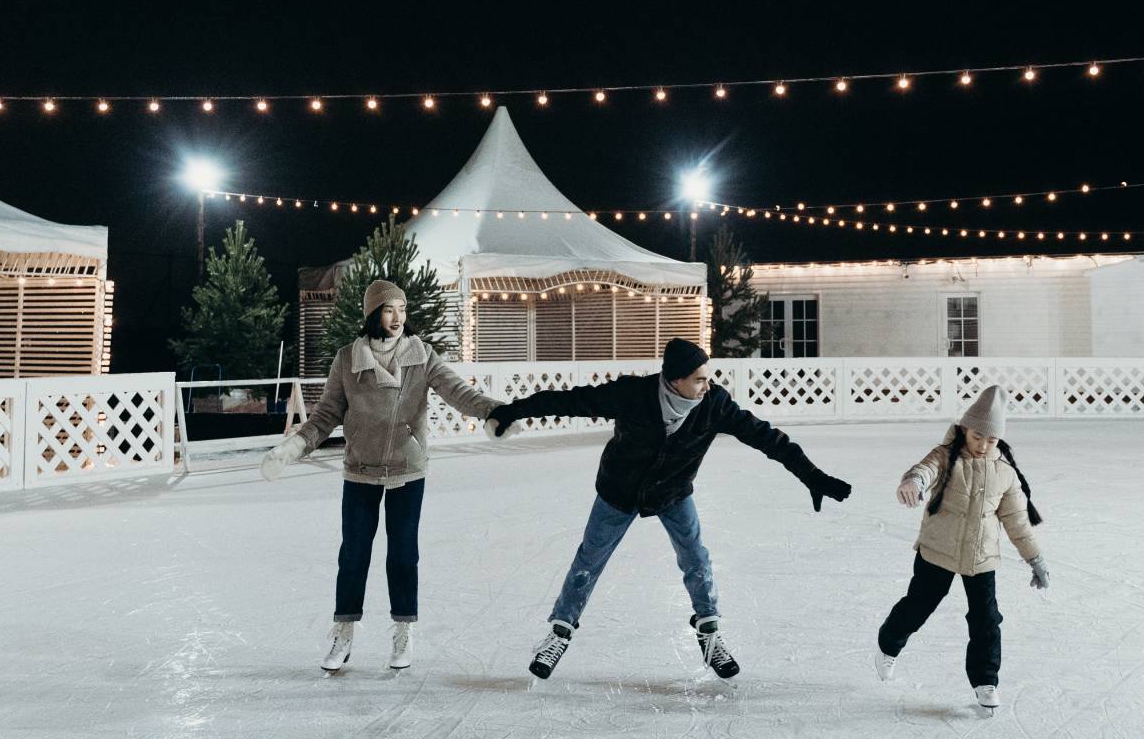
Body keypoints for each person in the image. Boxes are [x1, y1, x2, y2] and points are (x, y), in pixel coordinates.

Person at [485, 337, 852, 681]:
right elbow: (568, 401)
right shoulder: (633, 394)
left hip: (673, 492)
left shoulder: (714, 405)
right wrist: (512, 412)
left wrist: (812, 476)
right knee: (589, 559)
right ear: (674, 381)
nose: (706, 385)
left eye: (708, 378)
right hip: (620, 490)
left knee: (696, 558)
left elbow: (768, 439)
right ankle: (559, 634)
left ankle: (710, 635)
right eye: (698, 379)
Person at [259, 279, 501, 673]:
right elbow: (325, 415)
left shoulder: (421, 356)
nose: (398, 318)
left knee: (403, 553)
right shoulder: (347, 359)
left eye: (402, 310)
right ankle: (343, 632)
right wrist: (293, 448)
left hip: (407, 467)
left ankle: (403, 629)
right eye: (389, 310)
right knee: (353, 553)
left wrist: (494, 411)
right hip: (361, 469)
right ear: (373, 313)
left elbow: (459, 392)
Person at [874, 384, 1048, 710]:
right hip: (938, 550)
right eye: (976, 436)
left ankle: (985, 682)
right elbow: (925, 470)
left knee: (986, 620)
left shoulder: (1004, 473)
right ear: (965, 429)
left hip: (981, 557)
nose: (983, 445)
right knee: (919, 605)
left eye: (991, 439)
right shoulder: (946, 455)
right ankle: (888, 645)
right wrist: (913, 481)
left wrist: (1034, 558)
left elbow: (1017, 521)